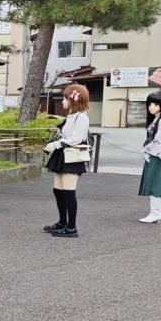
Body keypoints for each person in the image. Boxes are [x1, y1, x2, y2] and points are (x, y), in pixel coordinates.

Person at [43, 84, 91, 238]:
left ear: (73, 100)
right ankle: (62, 222)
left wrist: (55, 144)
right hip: (63, 155)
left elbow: (76, 138)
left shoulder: (82, 117)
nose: (62, 101)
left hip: (72, 156)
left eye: (65, 98)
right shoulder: (70, 117)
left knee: (69, 193)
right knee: (58, 191)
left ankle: (72, 227)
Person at [138, 91, 161, 224]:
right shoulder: (157, 118)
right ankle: (155, 212)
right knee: (154, 183)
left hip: (158, 155)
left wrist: (146, 150)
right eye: (150, 104)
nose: (151, 107)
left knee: (155, 184)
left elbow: (160, 140)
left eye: (155, 104)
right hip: (153, 154)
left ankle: (156, 213)